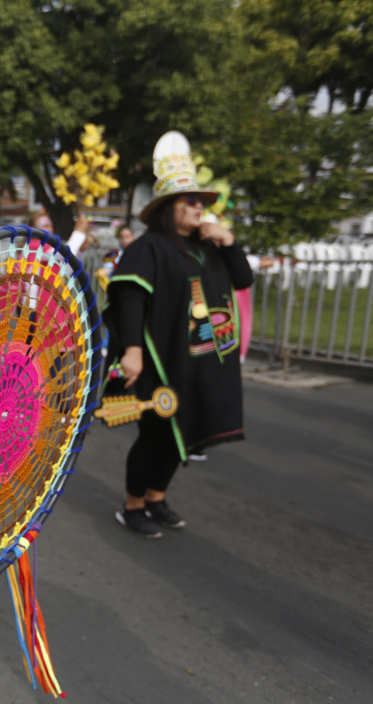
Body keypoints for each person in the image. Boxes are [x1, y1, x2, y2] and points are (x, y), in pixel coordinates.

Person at [105, 131, 253, 539]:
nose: (199, 207)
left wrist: (230, 241)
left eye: (201, 201)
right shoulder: (149, 247)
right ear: (170, 208)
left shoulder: (210, 247)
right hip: (159, 359)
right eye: (190, 201)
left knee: (183, 433)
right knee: (156, 433)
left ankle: (156, 497)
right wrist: (132, 351)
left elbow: (242, 280)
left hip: (201, 362)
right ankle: (133, 505)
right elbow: (130, 298)